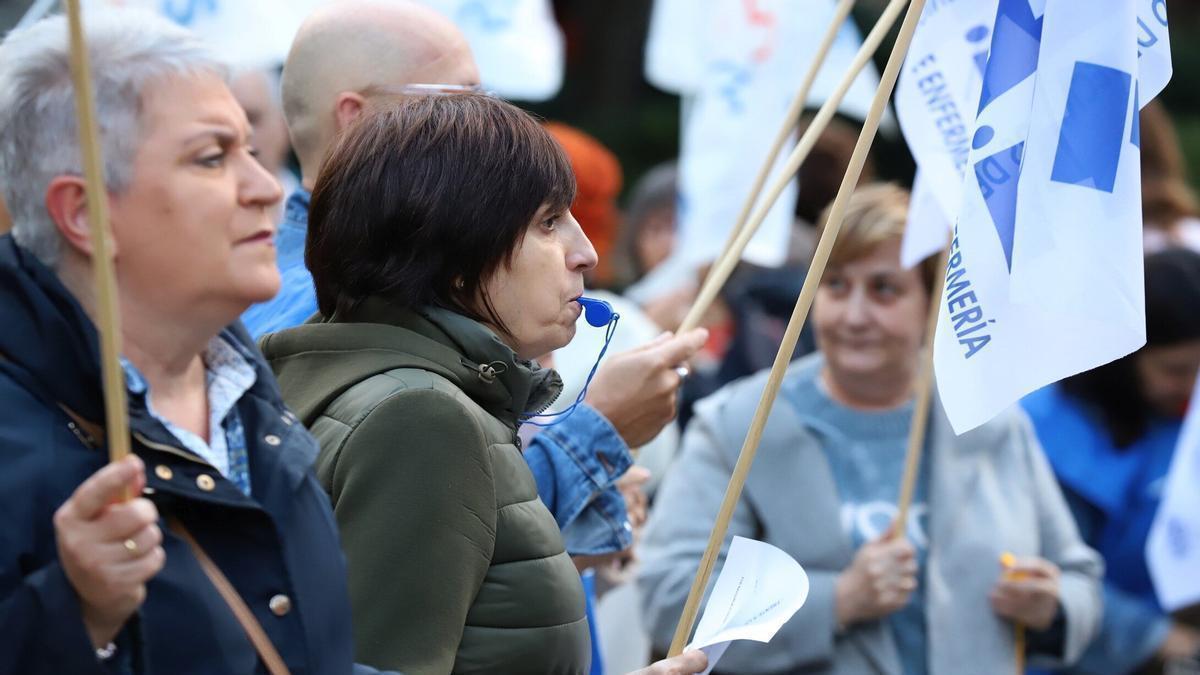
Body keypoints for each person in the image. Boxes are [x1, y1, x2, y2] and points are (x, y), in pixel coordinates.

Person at [261, 93, 707, 674]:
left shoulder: (395, 388)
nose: (586, 253)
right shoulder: (421, 417)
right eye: (548, 223)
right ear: (455, 252)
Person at [0, 11, 388, 673]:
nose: (267, 189)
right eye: (211, 157)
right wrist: (75, 614)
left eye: (251, 150)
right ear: (86, 212)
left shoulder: (248, 396)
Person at [251, 0, 706, 563]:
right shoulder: (318, 304)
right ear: (357, 118)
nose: (484, 124)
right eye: (461, 101)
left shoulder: (410, 300)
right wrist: (600, 429)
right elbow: (424, 552)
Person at [638, 184, 1104, 674]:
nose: (855, 316)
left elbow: (1080, 580)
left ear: (932, 300)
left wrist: (1051, 606)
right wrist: (837, 601)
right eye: (836, 285)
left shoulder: (986, 415)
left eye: (884, 289)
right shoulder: (739, 425)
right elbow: (671, 599)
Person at [1023, 247, 1200, 674]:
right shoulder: (1052, 431)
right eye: (1175, 370)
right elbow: (1047, 571)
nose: (1191, 387)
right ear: (1126, 354)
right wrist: (1153, 637)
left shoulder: (1181, 416)